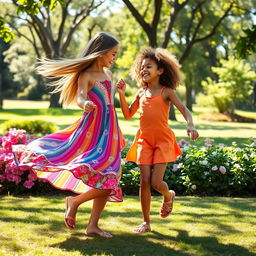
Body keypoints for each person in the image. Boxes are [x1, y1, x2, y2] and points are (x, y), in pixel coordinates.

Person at [13, 32, 125, 238]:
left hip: (110, 132)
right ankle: (74, 202)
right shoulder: (87, 75)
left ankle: (93, 225)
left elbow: (111, 105)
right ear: (100, 53)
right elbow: (81, 96)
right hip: (92, 131)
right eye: (113, 54)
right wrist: (86, 104)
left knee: (110, 176)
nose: (114, 58)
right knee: (107, 177)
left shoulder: (108, 75)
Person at [116, 47, 199, 233]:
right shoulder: (140, 93)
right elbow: (128, 114)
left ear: (160, 70)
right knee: (144, 181)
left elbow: (185, 110)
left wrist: (191, 125)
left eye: (149, 67)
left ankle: (168, 195)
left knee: (155, 182)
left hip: (162, 141)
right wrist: (121, 94)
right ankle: (146, 222)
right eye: (142, 67)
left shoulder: (166, 92)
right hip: (144, 140)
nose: (144, 70)